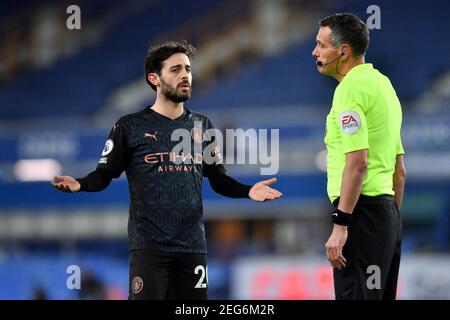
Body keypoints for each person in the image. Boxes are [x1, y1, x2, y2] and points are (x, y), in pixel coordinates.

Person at [51, 40, 282, 300]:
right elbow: (104, 175)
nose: (185, 75)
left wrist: (249, 191)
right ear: (155, 78)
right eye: (175, 70)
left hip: (193, 247)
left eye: (188, 69)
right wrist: (80, 183)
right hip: (149, 248)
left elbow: (218, 180)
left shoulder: (202, 126)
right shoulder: (129, 126)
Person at [312, 13, 405, 300]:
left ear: (343, 52)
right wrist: (391, 221)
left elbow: (358, 162)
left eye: (320, 45)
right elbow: (398, 170)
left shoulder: (349, 90)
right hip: (386, 215)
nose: (314, 52)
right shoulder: (384, 86)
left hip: (360, 217)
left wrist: (342, 224)